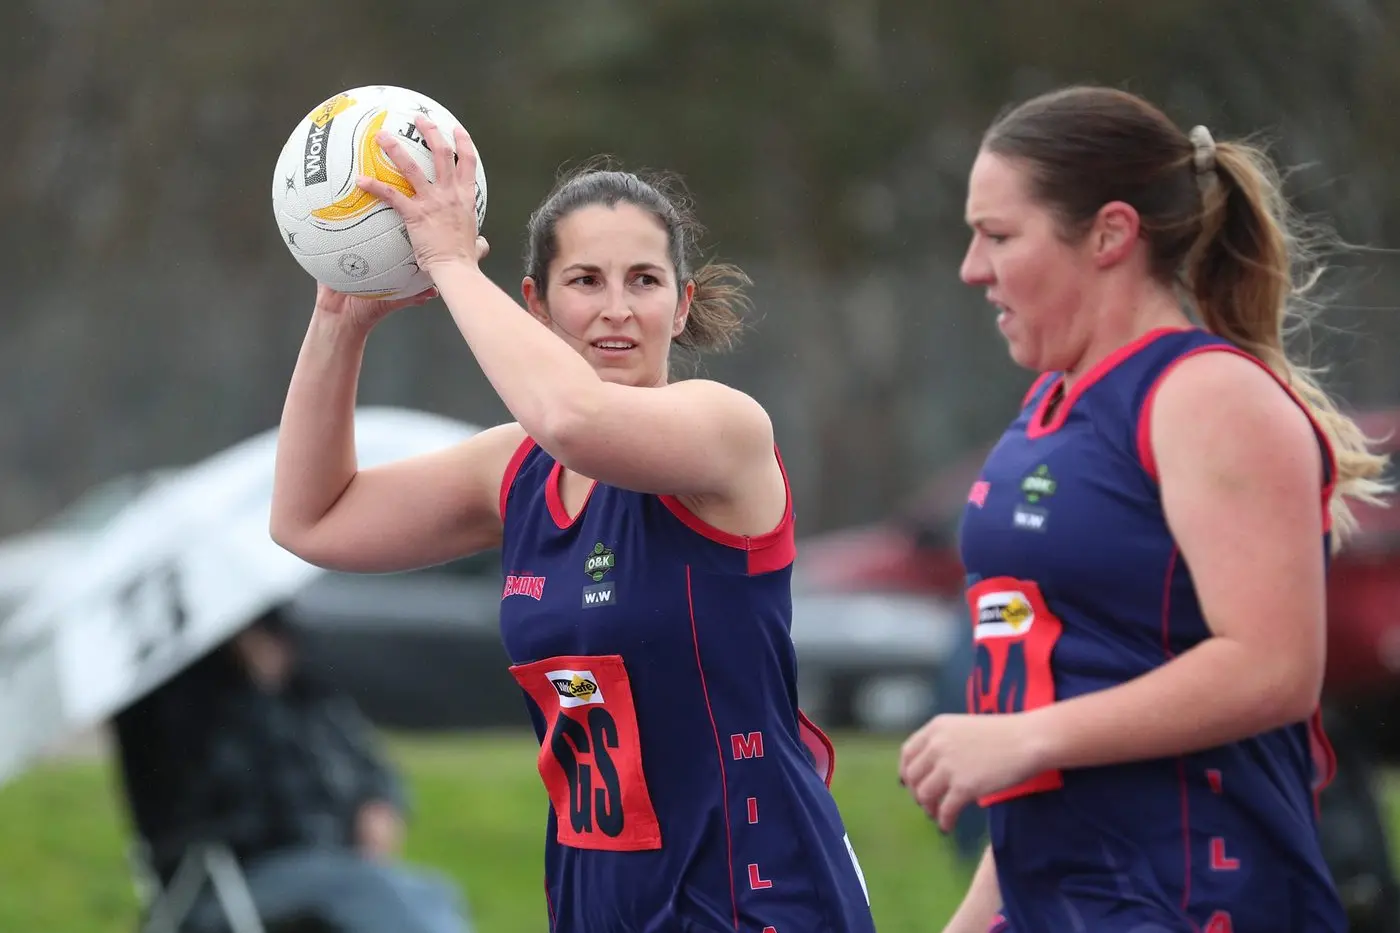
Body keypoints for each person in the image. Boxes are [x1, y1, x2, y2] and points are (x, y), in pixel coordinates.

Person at [268, 119, 876, 933]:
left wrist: (450, 261)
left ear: (682, 301)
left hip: (753, 901)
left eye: (646, 281)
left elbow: (574, 418)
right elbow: (311, 519)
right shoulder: (517, 469)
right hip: (601, 903)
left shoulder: (724, 430)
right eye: (586, 280)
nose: (617, 309)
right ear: (537, 304)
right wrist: (339, 319)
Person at [896, 85, 1392, 933]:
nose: (973, 268)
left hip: (1196, 899)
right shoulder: (1049, 406)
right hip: (1060, 902)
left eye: (1000, 236)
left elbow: (1273, 667)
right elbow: (1040, 724)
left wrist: (1029, 736)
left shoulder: (1204, 394)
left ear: (1111, 234)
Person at [113, 609, 472, 933]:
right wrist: (252, 691)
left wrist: (378, 801)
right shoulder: (170, 704)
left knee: (432, 891)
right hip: (234, 874)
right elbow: (221, 797)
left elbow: (369, 765)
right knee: (372, 894)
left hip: (333, 862)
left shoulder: (308, 695)